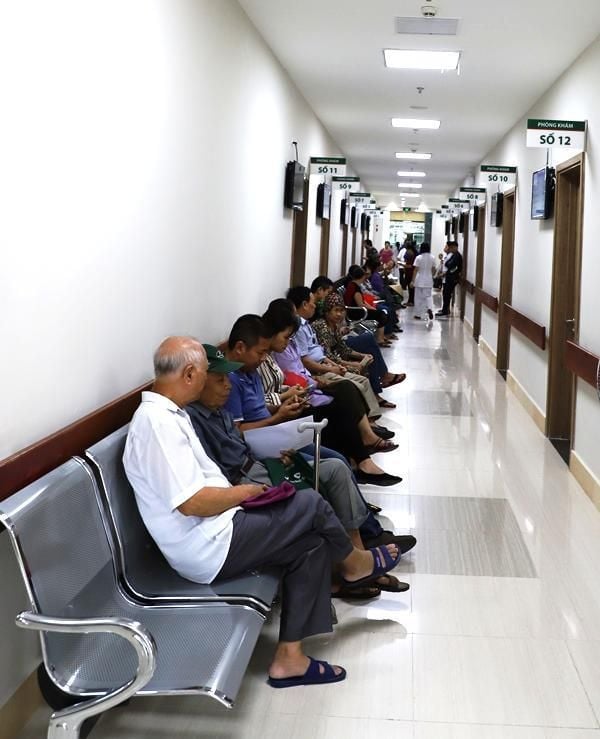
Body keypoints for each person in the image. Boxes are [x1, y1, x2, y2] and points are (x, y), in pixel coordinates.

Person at [123, 336, 402, 688]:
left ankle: (290, 659)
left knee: (312, 544)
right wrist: (246, 492)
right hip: (208, 546)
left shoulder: (168, 415)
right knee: (310, 503)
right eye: (208, 373)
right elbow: (193, 503)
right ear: (190, 374)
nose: (216, 380)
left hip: (219, 528)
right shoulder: (156, 424)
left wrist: (245, 495)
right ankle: (354, 563)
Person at [186, 345, 414, 596]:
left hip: (259, 464)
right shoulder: (192, 420)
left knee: (336, 469)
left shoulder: (219, 410)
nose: (227, 385)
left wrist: (274, 452)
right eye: (219, 380)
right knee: (311, 493)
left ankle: (357, 556)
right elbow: (214, 474)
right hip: (243, 482)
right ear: (198, 382)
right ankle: (344, 571)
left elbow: (243, 444)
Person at [247, 305, 403, 486]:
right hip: (281, 417)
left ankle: (362, 455)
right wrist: (288, 395)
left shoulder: (269, 357)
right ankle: (362, 458)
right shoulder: (255, 365)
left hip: (296, 396)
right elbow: (260, 404)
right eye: (286, 337)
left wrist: (292, 392)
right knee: (340, 406)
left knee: (344, 395)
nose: (288, 341)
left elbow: (281, 383)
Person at [286, 285, 381, 420]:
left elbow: (327, 352)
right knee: (356, 386)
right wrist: (335, 367)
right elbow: (306, 361)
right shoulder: (304, 328)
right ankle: (365, 423)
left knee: (364, 380)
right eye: (313, 303)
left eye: (342, 311)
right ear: (305, 304)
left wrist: (337, 365)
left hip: (325, 364)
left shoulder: (307, 325)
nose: (315, 306)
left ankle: (372, 418)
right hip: (318, 371)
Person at [344, 265, 394, 347]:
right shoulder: (355, 288)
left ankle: (381, 337)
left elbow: (362, 302)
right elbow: (361, 304)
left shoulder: (352, 285)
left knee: (381, 313)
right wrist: (372, 308)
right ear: (362, 276)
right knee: (382, 315)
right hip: (356, 312)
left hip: (356, 310)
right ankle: (380, 339)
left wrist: (372, 308)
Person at [410, 241, 436, 321]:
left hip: (419, 280)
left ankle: (418, 314)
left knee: (418, 298)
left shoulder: (419, 257)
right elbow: (433, 269)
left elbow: (415, 270)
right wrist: (431, 276)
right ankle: (430, 308)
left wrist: (412, 281)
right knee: (428, 296)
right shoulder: (432, 257)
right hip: (428, 280)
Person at [437, 240, 463, 317]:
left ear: (455, 247)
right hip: (449, 277)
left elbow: (452, 266)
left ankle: (445, 310)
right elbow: (448, 264)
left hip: (452, 278)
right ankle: (445, 309)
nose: (450, 249)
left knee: (447, 294)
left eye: (451, 248)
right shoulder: (454, 255)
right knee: (445, 294)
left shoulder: (457, 256)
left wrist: (448, 269)